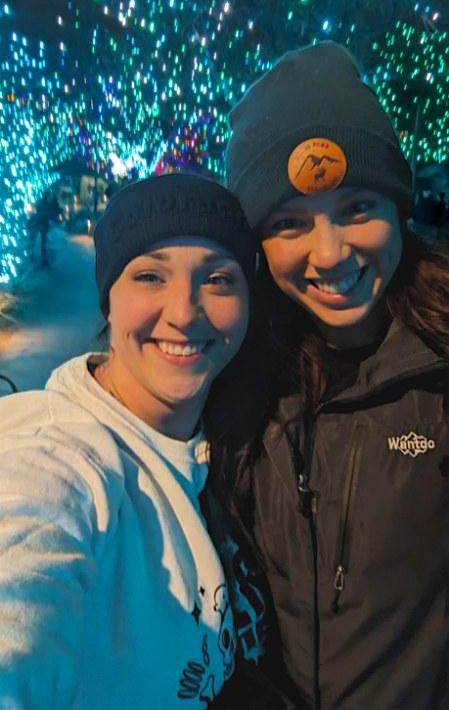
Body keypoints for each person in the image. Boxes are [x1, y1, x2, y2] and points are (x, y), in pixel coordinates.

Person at [206, 42, 449, 709]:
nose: (330, 252)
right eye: (289, 223)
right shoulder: (232, 378)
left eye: (356, 209)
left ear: (399, 207)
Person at [0, 172, 259, 709]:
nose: (185, 312)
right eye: (149, 276)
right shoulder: (59, 453)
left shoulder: (219, 445)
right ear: (107, 301)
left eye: (218, 279)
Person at [28, 188, 63, 265]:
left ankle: (44, 258)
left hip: (44, 224)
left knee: (44, 243)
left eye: (51, 197)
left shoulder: (53, 206)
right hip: (38, 223)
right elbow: (36, 213)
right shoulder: (41, 204)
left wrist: (58, 219)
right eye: (49, 196)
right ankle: (31, 254)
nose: (50, 198)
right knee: (33, 239)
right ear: (46, 196)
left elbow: (56, 215)